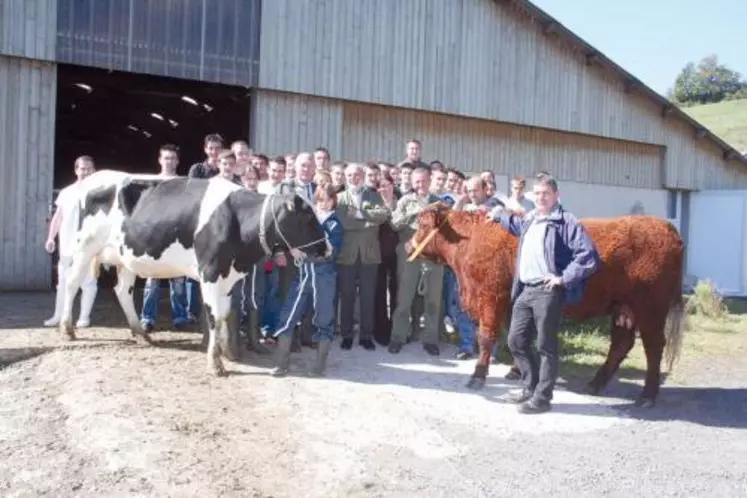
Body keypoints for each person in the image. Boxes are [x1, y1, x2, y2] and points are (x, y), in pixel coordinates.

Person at [488, 174, 599, 414]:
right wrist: (499, 216)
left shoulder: (566, 221)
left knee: (545, 346)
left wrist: (563, 278)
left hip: (547, 292)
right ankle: (530, 386)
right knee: (515, 341)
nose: (541, 197)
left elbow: (588, 256)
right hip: (525, 290)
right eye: (537, 193)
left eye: (545, 193)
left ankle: (542, 397)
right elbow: (517, 227)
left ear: (556, 196)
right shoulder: (531, 218)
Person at [271, 184, 344, 377]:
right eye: (320, 200)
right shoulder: (306, 221)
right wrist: (293, 250)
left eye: (328, 200)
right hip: (302, 276)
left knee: (324, 319)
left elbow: (330, 254)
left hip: (324, 278)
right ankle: (281, 364)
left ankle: (319, 367)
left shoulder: (335, 224)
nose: (324, 204)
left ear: (333, 201)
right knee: (288, 315)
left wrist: (302, 255)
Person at [44, 156, 98, 328]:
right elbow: (58, 217)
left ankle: (84, 317)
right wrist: (51, 238)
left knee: (88, 282)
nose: (86, 172)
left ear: (94, 170)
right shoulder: (66, 192)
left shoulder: (99, 193)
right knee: (63, 283)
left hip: (89, 245)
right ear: (76, 170)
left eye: (89, 168)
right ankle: (58, 316)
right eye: (82, 168)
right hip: (67, 245)